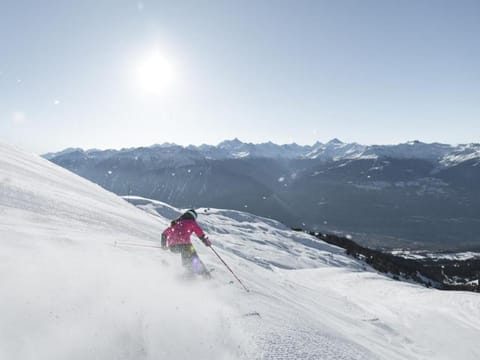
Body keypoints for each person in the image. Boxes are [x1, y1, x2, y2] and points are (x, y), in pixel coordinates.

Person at [161, 209, 212, 277]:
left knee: (186, 253)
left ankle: (189, 271)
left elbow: (164, 234)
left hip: (173, 247)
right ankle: (204, 274)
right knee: (194, 256)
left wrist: (163, 245)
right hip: (186, 246)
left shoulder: (176, 223)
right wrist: (206, 241)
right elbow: (200, 233)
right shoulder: (191, 222)